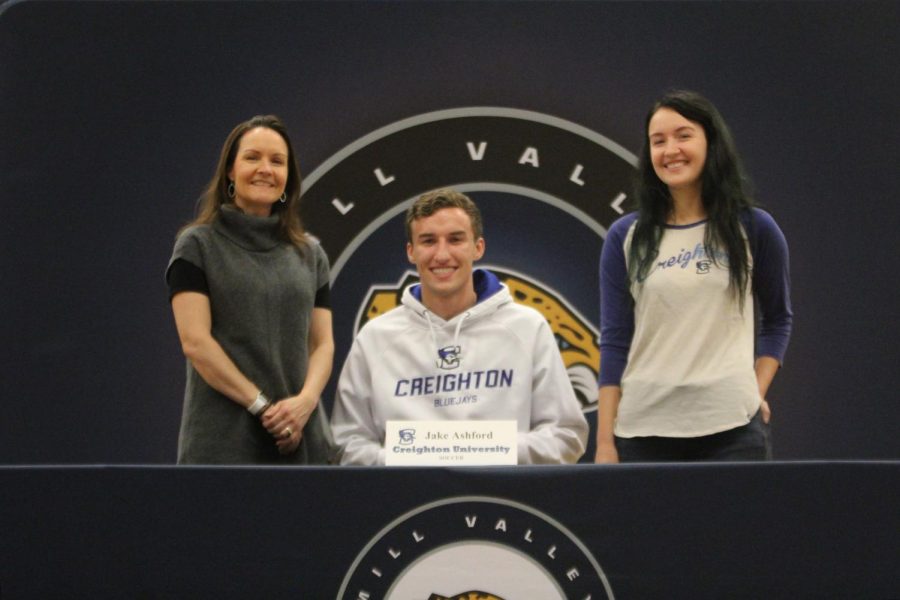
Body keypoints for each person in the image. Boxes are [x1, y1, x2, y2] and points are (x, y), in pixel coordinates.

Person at [595, 90, 792, 463]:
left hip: (732, 432)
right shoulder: (625, 236)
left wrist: (754, 391)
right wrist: (605, 442)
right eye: (659, 141)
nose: (671, 150)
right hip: (643, 432)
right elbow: (615, 341)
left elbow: (778, 319)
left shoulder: (754, 227)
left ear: (711, 142)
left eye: (683, 135)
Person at [331, 188, 588, 465]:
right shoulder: (375, 337)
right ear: (411, 252)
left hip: (507, 499)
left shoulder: (528, 327)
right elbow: (346, 443)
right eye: (428, 241)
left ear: (478, 247)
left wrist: (489, 453)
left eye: (455, 240)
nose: (442, 255)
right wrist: (411, 461)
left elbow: (566, 435)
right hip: (405, 502)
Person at [166, 115, 335, 464]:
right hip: (223, 445)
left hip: (302, 438)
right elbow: (195, 343)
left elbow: (323, 344)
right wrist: (263, 408)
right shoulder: (196, 245)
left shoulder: (311, 254)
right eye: (252, 157)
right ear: (230, 170)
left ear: (288, 176)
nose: (265, 169)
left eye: (277, 161)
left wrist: (304, 404)